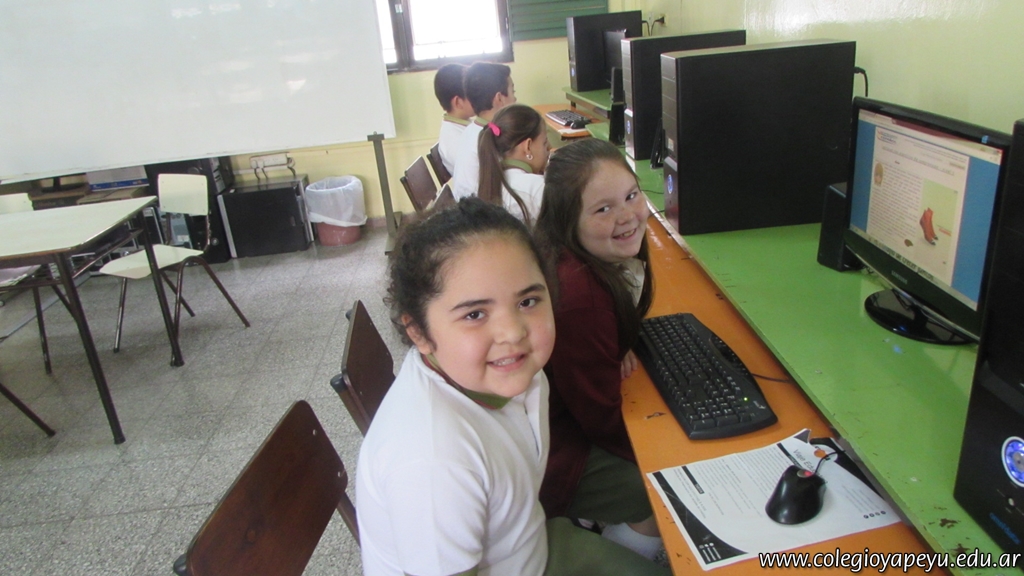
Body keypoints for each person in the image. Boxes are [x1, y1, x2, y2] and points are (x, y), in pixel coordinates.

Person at [356, 197, 669, 576]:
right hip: (516, 561)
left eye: (528, 301)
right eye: (475, 314)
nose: (513, 332)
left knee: (661, 488)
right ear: (419, 332)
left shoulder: (502, 372)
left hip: (526, 542)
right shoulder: (434, 464)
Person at [534, 138, 664, 561]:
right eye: (603, 209)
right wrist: (665, 453)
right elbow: (602, 420)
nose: (627, 216)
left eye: (632, 195)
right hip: (554, 456)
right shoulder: (580, 297)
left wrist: (615, 341)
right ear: (568, 221)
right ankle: (626, 551)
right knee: (661, 486)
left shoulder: (583, 262)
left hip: (559, 423)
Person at [451, 62, 517, 200]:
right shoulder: (489, 137)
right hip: (481, 210)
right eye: (513, 92)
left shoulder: (472, 130)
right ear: (499, 98)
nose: (515, 99)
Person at [477, 103, 550, 225]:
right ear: (528, 147)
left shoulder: (489, 181)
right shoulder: (537, 187)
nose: (549, 148)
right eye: (545, 143)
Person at [434, 63, 474, 177]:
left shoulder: (464, 125)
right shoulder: (454, 142)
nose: (479, 96)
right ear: (458, 102)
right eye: (473, 93)